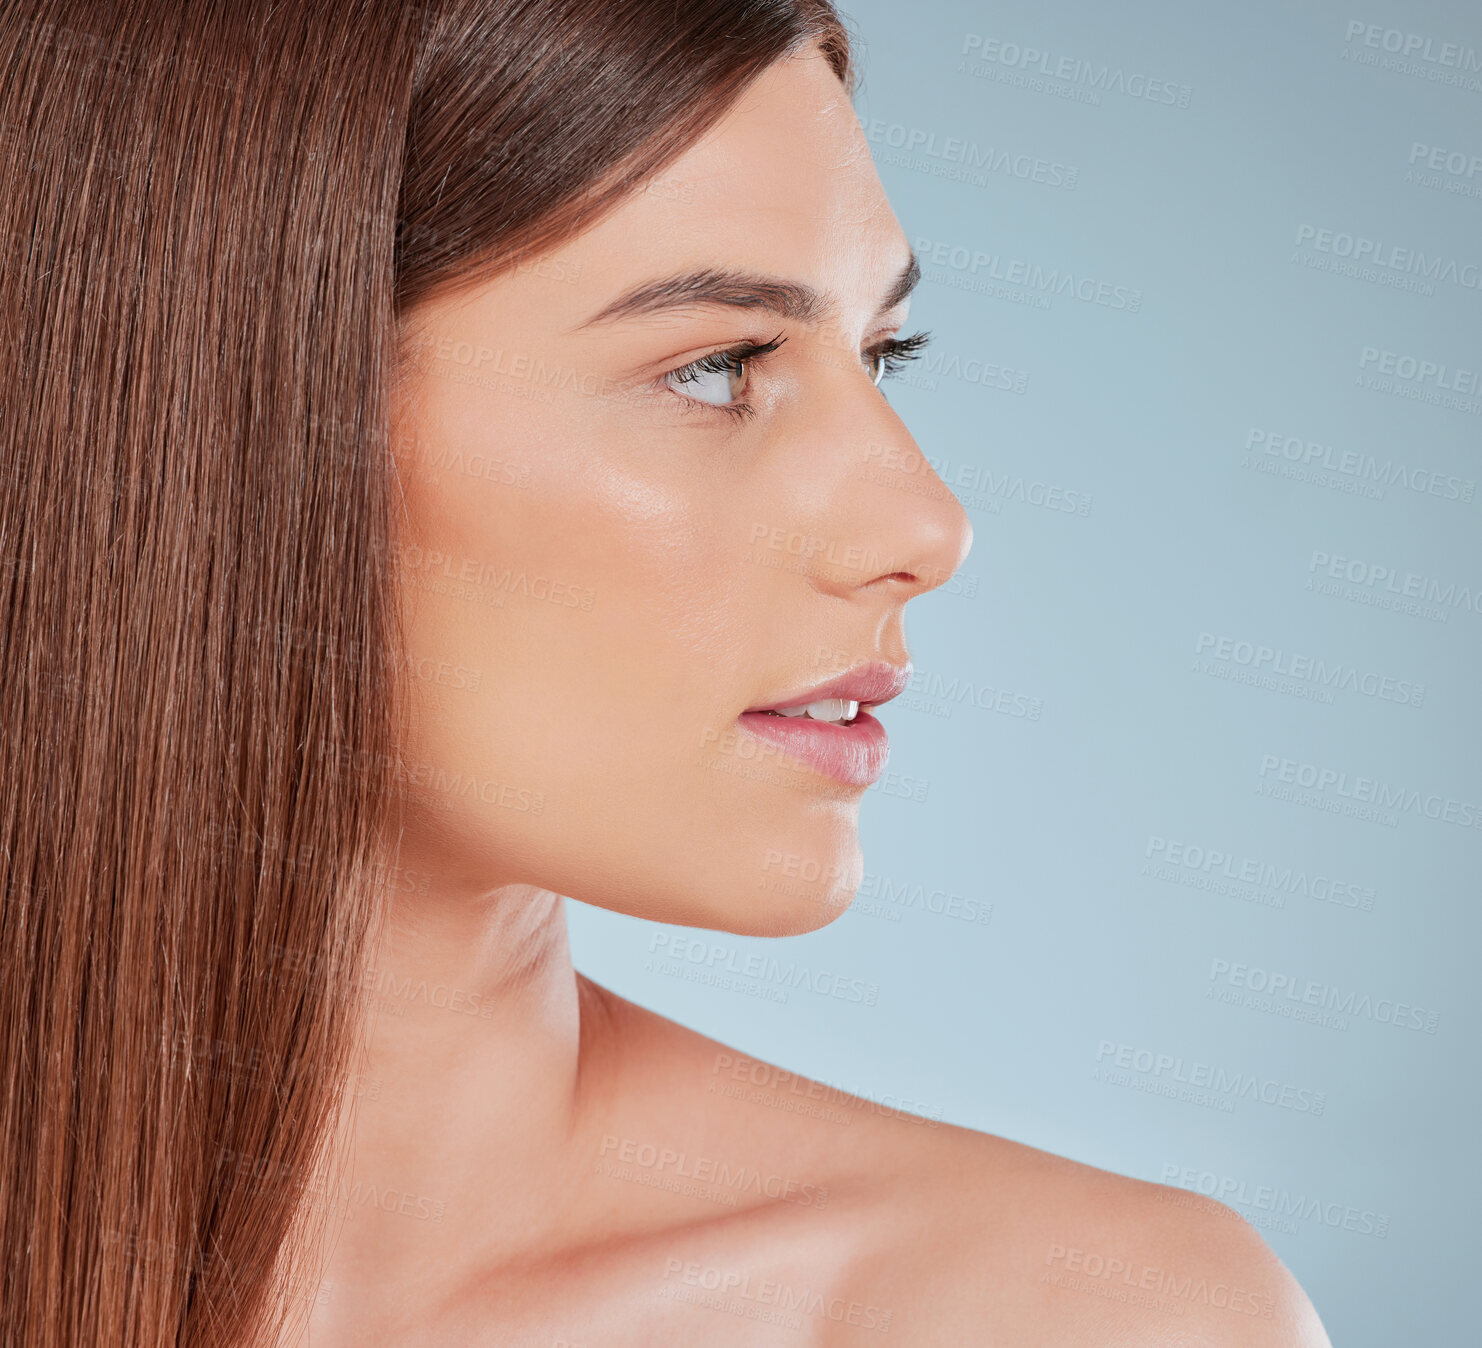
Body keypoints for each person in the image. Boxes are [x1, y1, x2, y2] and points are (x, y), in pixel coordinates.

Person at [0, 2, 1332, 1343]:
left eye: (883, 355)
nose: (925, 528)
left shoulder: (1069, 1314)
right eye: (714, 366)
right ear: (213, 419)